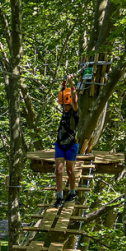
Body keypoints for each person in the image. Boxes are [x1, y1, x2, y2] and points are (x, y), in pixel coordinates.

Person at [54, 74, 79, 208]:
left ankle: (73, 192)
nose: (65, 107)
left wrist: (71, 83)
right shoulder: (64, 110)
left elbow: (74, 100)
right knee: (58, 171)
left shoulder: (74, 112)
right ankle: (59, 197)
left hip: (71, 145)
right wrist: (64, 84)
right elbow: (63, 94)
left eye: (67, 105)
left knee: (69, 171)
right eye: (64, 105)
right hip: (60, 144)